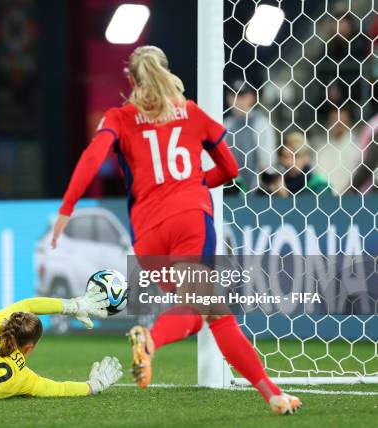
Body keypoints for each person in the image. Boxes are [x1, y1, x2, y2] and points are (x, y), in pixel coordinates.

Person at [50, 46, 301, 415]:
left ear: (131, 80)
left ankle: (273, 395)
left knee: (214, 311)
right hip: (189, 221)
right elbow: (231, 171)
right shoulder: (193, 113)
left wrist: (66, 209)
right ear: (167, 72)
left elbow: (92, 157)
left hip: (147, 235)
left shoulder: (119, 118)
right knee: (202, 308)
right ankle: (151, 340)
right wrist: (196, 181)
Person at [224, 81, 276, 192]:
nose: (237, 100)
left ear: (252, 97)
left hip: (258, 192)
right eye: (234, 95)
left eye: (242, 95)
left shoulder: (261, 123)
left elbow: (267, 163)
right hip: (231, 191)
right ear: (228, 98)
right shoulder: (226, 124)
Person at [312, 107, 361, 195]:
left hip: (351, 197)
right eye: (334, 120)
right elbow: (317, 173)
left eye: (342, 120)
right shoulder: (321, 147)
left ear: (349, 122)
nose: (338, 123)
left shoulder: (357, 148)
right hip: (325, 197)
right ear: (328, 122)